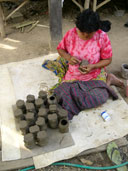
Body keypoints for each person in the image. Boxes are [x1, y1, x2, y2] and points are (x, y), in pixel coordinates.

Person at [57, 9, 124, 88]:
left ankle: (109, 78)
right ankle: (107, 81)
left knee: (99, 97)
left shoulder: (102, 36)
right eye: (82, 32)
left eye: (89, 33)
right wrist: (69, 57)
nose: (85, 35)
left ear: (95, 30)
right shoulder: (71, 34)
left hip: (94, 74)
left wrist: (93, 66)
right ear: (77, 27)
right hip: (74, 74)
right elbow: (60, 49)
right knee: (63, 94)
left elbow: (108, 60)